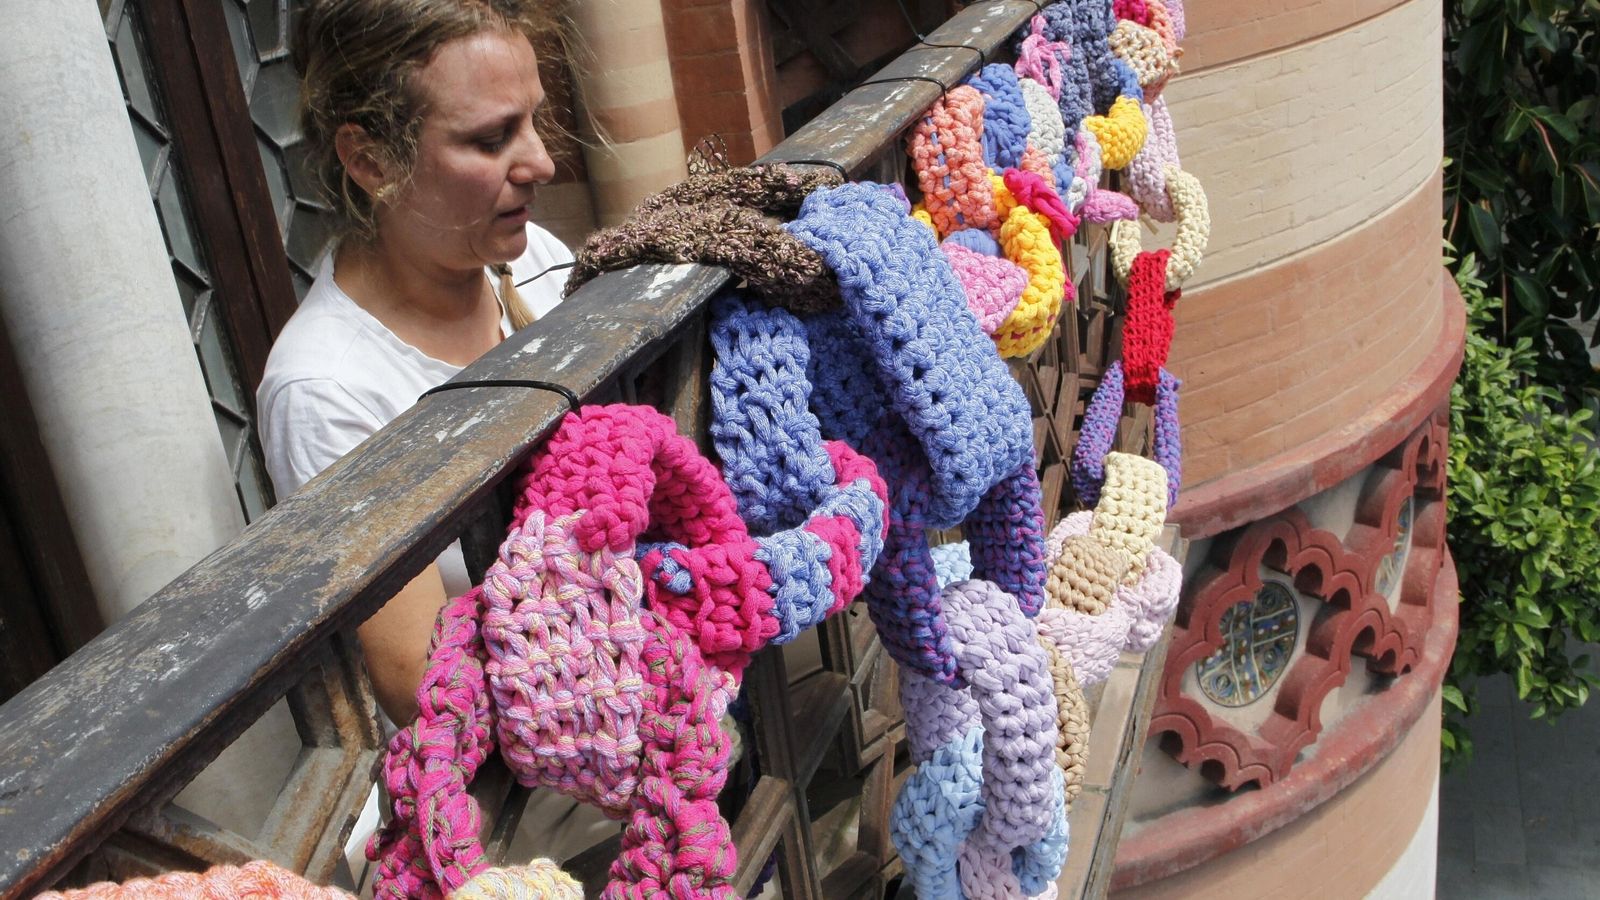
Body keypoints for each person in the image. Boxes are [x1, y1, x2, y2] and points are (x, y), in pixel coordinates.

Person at [258, 0, 573, 726]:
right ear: (370, 161)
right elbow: (425, 686)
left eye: (533, 119)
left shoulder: (539, 266)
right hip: (539, 794)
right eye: (492, 139)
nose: (542, 163)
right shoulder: (327, 390)